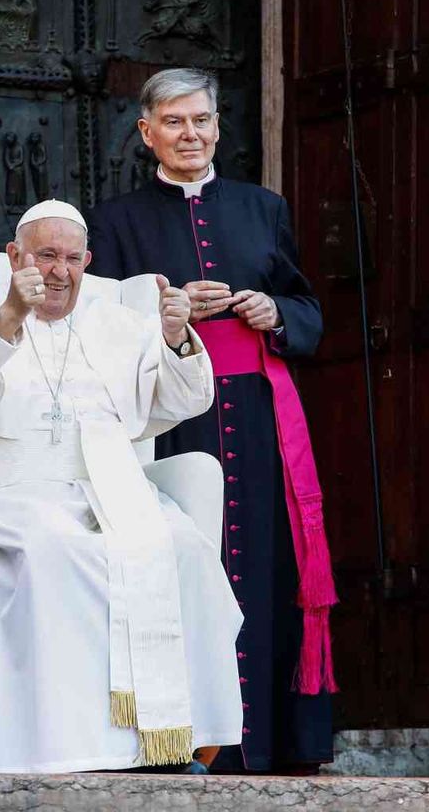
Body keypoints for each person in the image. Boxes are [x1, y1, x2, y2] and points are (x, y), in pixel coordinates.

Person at [0, 199, 243, 773]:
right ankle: (60, 748)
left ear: (88, 261)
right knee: (54, 549)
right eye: (45, 256)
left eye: (71, 259)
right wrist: (8, 318)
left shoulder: (117, 321)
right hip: (5, 492)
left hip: (109, 490)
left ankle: (166, 742)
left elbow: (182, 401)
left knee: (182, 547)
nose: (59, 271)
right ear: (15, 256)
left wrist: (178, 338)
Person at [86, 67, 336, 774]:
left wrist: (275, 313)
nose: (189, 134)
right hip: (170, 421)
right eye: (173, 122)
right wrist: (160, 316)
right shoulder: (116, 222)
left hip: (258, 420)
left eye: (200, 120)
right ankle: (177, 745)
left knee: (264, 566)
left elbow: (308, 309)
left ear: (219, 126)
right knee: (178, 569)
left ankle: (275, 745)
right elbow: (97, 329)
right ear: (147, 133)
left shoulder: (263, 208)